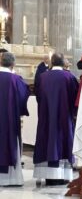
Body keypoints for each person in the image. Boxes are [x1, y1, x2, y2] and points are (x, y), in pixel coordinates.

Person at [33, 53, 79, 186]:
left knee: (46, 141)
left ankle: (46, 175)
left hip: (46, 117)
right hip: (64, 118)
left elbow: (38, 96)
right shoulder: (69, 77)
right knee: (62, 141)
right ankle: (62, 175)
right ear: (63, 62)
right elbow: (75, 98)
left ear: (52, 62)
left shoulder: (42, 77)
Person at [0, 52, 30, 186]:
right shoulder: (16, 79)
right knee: (9, 142)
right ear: (13, 64)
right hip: (9, 120)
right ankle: (10, 179)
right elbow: (23, 97)